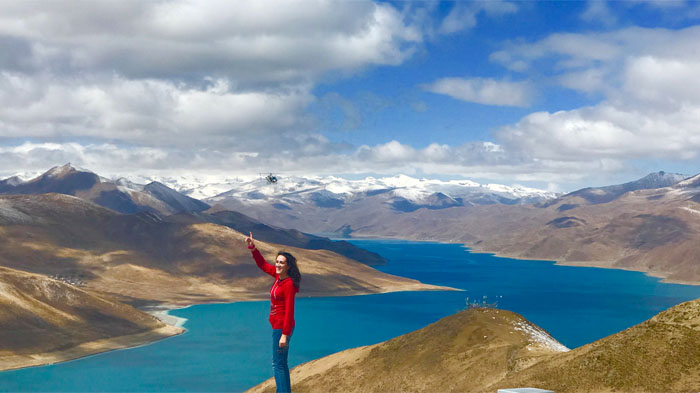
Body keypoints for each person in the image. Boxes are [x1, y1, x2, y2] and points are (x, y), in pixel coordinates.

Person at [246, 232, 301, 393]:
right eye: (277, 262)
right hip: (278, 327)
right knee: (280, 363)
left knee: (278, 364)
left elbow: (290, 310)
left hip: (282, 328)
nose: (277, 265)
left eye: (281, 263)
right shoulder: (278, 277)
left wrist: (284, 334)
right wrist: (252, 248)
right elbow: (262, 265)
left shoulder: (288, 284)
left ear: (288, 266)